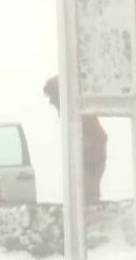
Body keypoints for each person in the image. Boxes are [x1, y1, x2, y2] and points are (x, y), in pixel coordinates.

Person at [44, 75, 107, 203]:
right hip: (90, 158)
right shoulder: (76, 114)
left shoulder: (79, 116)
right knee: (84, 197)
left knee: (88, 197)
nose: (50, 102)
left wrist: (81, 154)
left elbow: (97, 138)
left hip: (90, 160)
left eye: (51, 97)